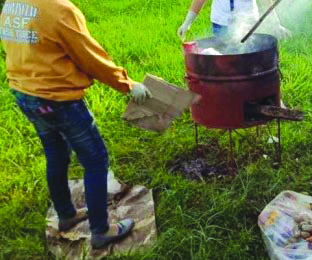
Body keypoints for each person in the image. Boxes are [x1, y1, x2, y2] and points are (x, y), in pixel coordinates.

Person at [0, 0, 151, 248]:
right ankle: (101, 231)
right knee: (95, 160)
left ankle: (66, 216)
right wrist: (128, 85)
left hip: (24, 93)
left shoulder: (13, 3)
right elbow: (90, 57)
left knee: (56, 155)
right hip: (57, 99)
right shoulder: (60, 9)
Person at [177, 0, 291, 39]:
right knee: (223, 59)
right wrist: (187, 22)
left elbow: (265, 1)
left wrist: (275, 23)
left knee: (249, 56)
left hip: (249, 24)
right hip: (221, 23)